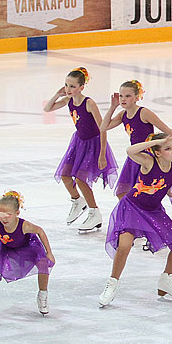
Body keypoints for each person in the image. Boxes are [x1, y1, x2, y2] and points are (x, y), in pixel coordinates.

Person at [100, 134, 172, 306]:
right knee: (124, 246)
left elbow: (165, 181)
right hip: (132, 208)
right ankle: (112, 284)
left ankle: (167, 279)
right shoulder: (149, 163)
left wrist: (167, 190)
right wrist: (156, 142)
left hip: (153, 211)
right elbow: (130, 151)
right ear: (157, 153)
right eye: (167, 148)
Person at [44, 67, 117, 232]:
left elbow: (103, 128)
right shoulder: (68, 101)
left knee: (81, 179)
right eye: (66, 85)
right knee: (65, 175)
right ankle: (78, 200)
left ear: (81, 87)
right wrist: (57, 94)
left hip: (94, 144)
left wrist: (102, 153)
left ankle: (94, 212)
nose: (68, 89)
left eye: (72, 86)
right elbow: (48, 109)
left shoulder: (89, 103)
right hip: (79, 142)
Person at [99, 79, 172, 199]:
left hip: (147, 157)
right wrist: (113, 106)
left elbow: (166, 130)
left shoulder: (143, 113)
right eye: (121, 96)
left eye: (128, 96)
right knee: (122, 193)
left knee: (143, 193)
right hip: (134, 155)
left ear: (136, 97)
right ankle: (132, 217)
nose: (123, 99)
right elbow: (103, 127)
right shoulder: (123, 115)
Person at [0, 191, 55, 315]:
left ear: (17, 213)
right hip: (4, 246)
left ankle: (43, 295)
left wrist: (49, 252)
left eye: (8, 214)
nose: (4, 218)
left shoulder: (25, 225)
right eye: (1, 213)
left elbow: (40, 231)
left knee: (43, 263)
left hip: (27, 246)